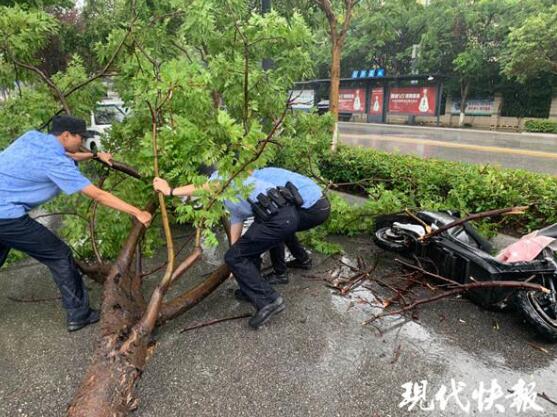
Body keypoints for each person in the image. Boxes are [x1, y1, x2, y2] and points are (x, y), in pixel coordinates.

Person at [0, 115, 152, 332]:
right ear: (66, 135)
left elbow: (67, 154)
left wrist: (95, 155)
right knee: (59, 255)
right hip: (6, 217)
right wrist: (137, 212)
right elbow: (97, 195)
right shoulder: (56, 163)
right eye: (80, 138)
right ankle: (79, 315)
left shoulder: (32, 138)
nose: (82, 142)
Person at [153, 170, 295, 329]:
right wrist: (235, 263)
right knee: (238, 255)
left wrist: (170, 191)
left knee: (235, 256)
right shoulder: (231, 198)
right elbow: (236, 223)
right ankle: (250, 292)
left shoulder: (222, 176)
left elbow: (211, 185)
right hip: (281, 217)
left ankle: (269, 300)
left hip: (278, 218)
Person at [251, 167, 330, 285]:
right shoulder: (267, 170)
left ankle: (280, 274)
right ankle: (303, 260)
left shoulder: (256, 182)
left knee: (275, 227)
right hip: (322, 203)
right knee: (286, 224)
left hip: (313, 209)